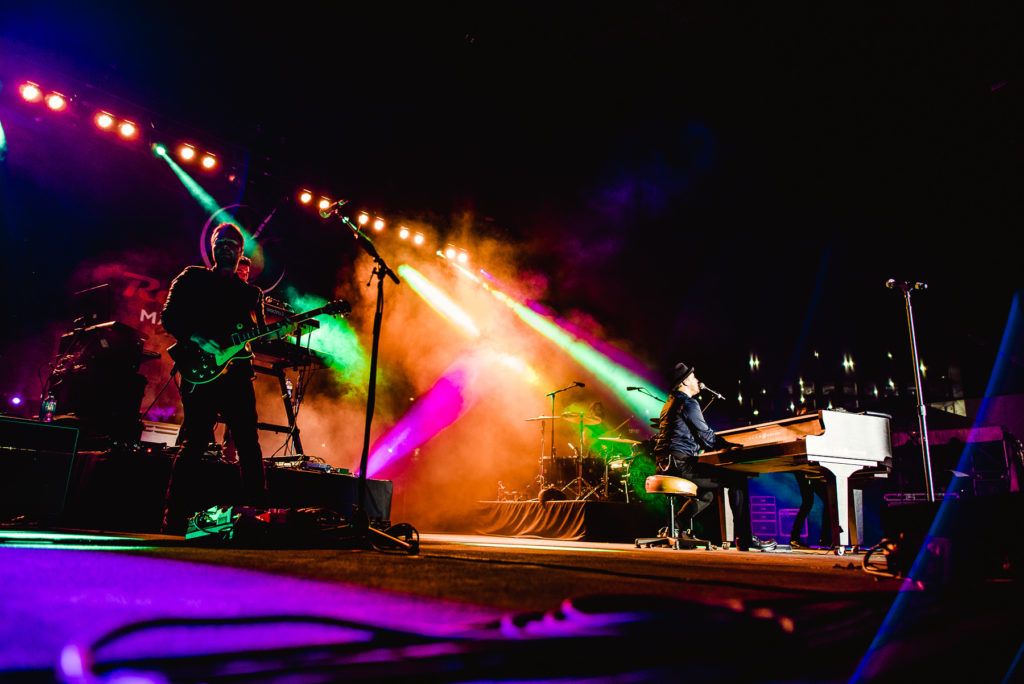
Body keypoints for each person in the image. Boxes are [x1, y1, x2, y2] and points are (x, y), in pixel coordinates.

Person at [159, 223, 267, 534]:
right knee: (194, 443)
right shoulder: (192, 277)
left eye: (232, 243)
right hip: (200, 371)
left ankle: (257, 513)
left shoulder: (251, 293)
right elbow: (169, 316)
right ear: (212, 247)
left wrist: (285, 329)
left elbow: (256, 333)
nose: (226, 247)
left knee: (248, 442)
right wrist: (196, 337)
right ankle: (174, 518)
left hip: (238, 374)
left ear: (240, 251)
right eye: (220, 242)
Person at [652, 361, 776, 551]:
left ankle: (675, 527)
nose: (697, 380)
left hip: (665, 464)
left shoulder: (670, 403)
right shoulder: (688, 402)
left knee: (706, 494)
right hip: (680, 464)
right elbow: (706, 435)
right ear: (684, 383)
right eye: (693, 377)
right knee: (737, 479)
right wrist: (729, 446)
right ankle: (745, 539)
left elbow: (688, 435)